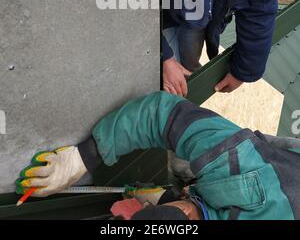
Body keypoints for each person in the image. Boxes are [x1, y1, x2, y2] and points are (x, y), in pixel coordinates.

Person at [17, 92, 300, 220]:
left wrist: (164, 206)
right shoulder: (236, 162)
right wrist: (85, 156)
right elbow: (162, 116)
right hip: (279, 169)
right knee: (189, 158)